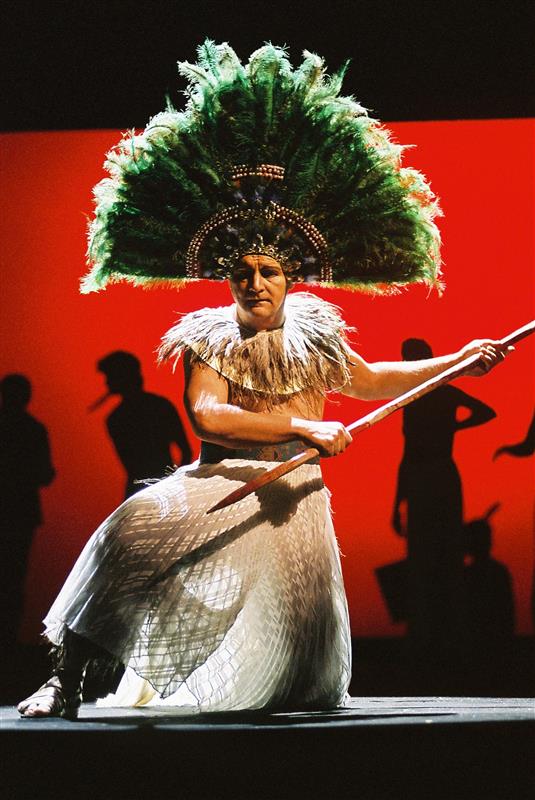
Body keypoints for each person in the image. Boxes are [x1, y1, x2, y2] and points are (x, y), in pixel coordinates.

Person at [17, 42, 510, 718]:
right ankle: (64, 680)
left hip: (295, 500)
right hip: (220, 483)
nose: (254, 282)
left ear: (289, 277)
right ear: (227, 277)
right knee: (126, 541)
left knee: (295, 683)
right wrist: (302, 424)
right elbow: (209, 415)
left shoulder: (316, 332)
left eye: (268, 271)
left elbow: (368, 380)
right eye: (242, 272)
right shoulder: (207, 336)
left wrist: (456, 361)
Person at [0, 374, 55, 645]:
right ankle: (9, 636)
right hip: (22, 511)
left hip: (14, 509)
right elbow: (46, 474)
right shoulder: (34, 429)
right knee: (15, 575)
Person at [95, 350, 192, 499]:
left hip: (138, 492)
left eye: (110, 377)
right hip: (165, 487)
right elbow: (186, 451)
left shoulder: (115, 419)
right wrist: (175, 482)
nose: (107, 383)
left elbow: (132, 465)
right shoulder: (161, 405)